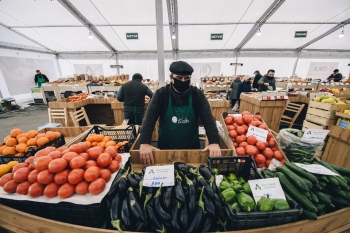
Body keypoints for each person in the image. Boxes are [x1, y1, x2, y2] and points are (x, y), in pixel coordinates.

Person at [139, 61, 221, 166]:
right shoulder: (161, 94)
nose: (183, 81)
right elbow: (149, 119)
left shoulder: (197, 94)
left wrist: (214, 142)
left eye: (186, 78)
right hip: (166, 148)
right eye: (179, 78)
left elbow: (208, 119)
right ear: (171, 77)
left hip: (191, 149)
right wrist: (145, 143)